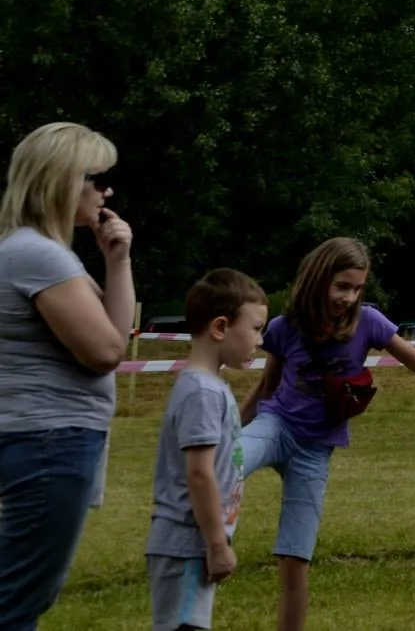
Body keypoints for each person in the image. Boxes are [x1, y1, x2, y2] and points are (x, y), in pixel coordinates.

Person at [241, 237, 415, 631]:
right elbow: (266, 385)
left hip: (316, 448)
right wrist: (228, 433)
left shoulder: (369, 322)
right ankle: (209, 539)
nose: (349, 297)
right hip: (276, 425)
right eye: (342, 286)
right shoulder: (285, 325)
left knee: (295, 558)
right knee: (229, 460)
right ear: (317, 278)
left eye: (357, 288)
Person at [0, 122, 132, 630]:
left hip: (44, 437)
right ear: (63, 180)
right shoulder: (41, 255)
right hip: (50, 440)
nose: (107, 192)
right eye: (99, 179)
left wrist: (117, 262)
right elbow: (105, 352)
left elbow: (114, 339)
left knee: (24, 589)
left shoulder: (39, 251)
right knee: (19, 597)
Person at [147, 269, 267, 631]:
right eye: (256, 328)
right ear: (220, 327)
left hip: (193, 543)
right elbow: (199, 473)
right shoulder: (202, 392)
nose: (260, 340)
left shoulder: (210, 386)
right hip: (187, 543)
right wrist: (217, 545)